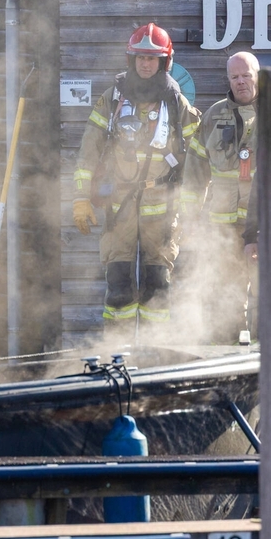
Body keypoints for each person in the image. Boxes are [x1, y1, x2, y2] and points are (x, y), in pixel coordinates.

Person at [72, 23, 201, 343]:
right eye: (141, 58)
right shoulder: (111, 99)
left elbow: (197, 160)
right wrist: (79, 197)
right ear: (131, 60)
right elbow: (88, 151)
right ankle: (116, 354)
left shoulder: (176, 104)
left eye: (152, 58)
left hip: (162, 209)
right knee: (118, 286)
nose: (146, 64)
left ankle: (155, 353)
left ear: (164, 62)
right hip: (121, 209)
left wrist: (191, 209)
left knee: (158, 287)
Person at [181, 51, 260, 344]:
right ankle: (226, 367)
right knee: (224, 301)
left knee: (265, 301)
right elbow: (194, 173)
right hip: (222, 232)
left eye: (246, 75)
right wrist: (189, 221)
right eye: (234, 77)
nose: (241, 82)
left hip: (264, 231)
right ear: (228, 79)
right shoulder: (213, 117)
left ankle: (265, 372)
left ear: (258, 75)